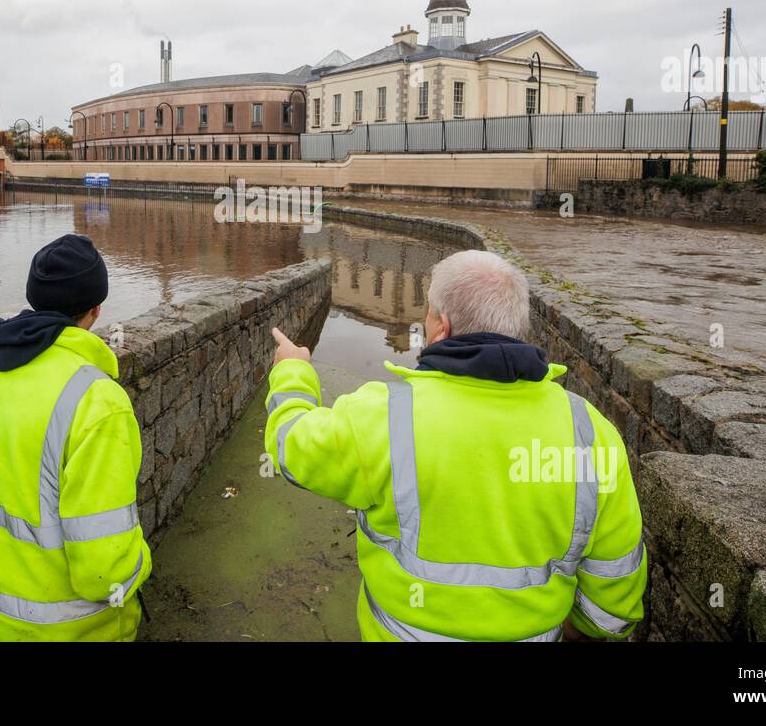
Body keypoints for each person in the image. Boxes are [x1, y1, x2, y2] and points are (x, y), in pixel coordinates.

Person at [265, 249, 646, 642]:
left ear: (442, 328)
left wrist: (293, 371)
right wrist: (575, 629)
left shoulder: (382, 416)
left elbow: (292, 448)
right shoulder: (590, 433)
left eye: (427, 314)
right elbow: (613, 600)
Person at [0, 234, 151, 641]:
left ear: (34, 298)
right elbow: (104, 569)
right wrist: (140, 561)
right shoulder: (97, 400)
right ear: (96, 309)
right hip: (73, 632)